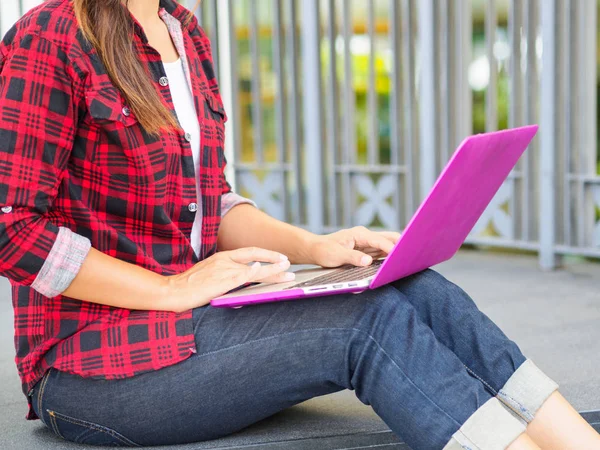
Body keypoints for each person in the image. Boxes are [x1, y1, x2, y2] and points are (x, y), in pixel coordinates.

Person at [1, 1, 598, 449]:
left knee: (415, 287)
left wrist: (317, 245)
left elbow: (211, 202)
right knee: (366, 326)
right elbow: (13, 229)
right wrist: (171, 289)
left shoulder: (183, 31)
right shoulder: (48, 37)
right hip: (89, 364)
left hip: (195, 322)